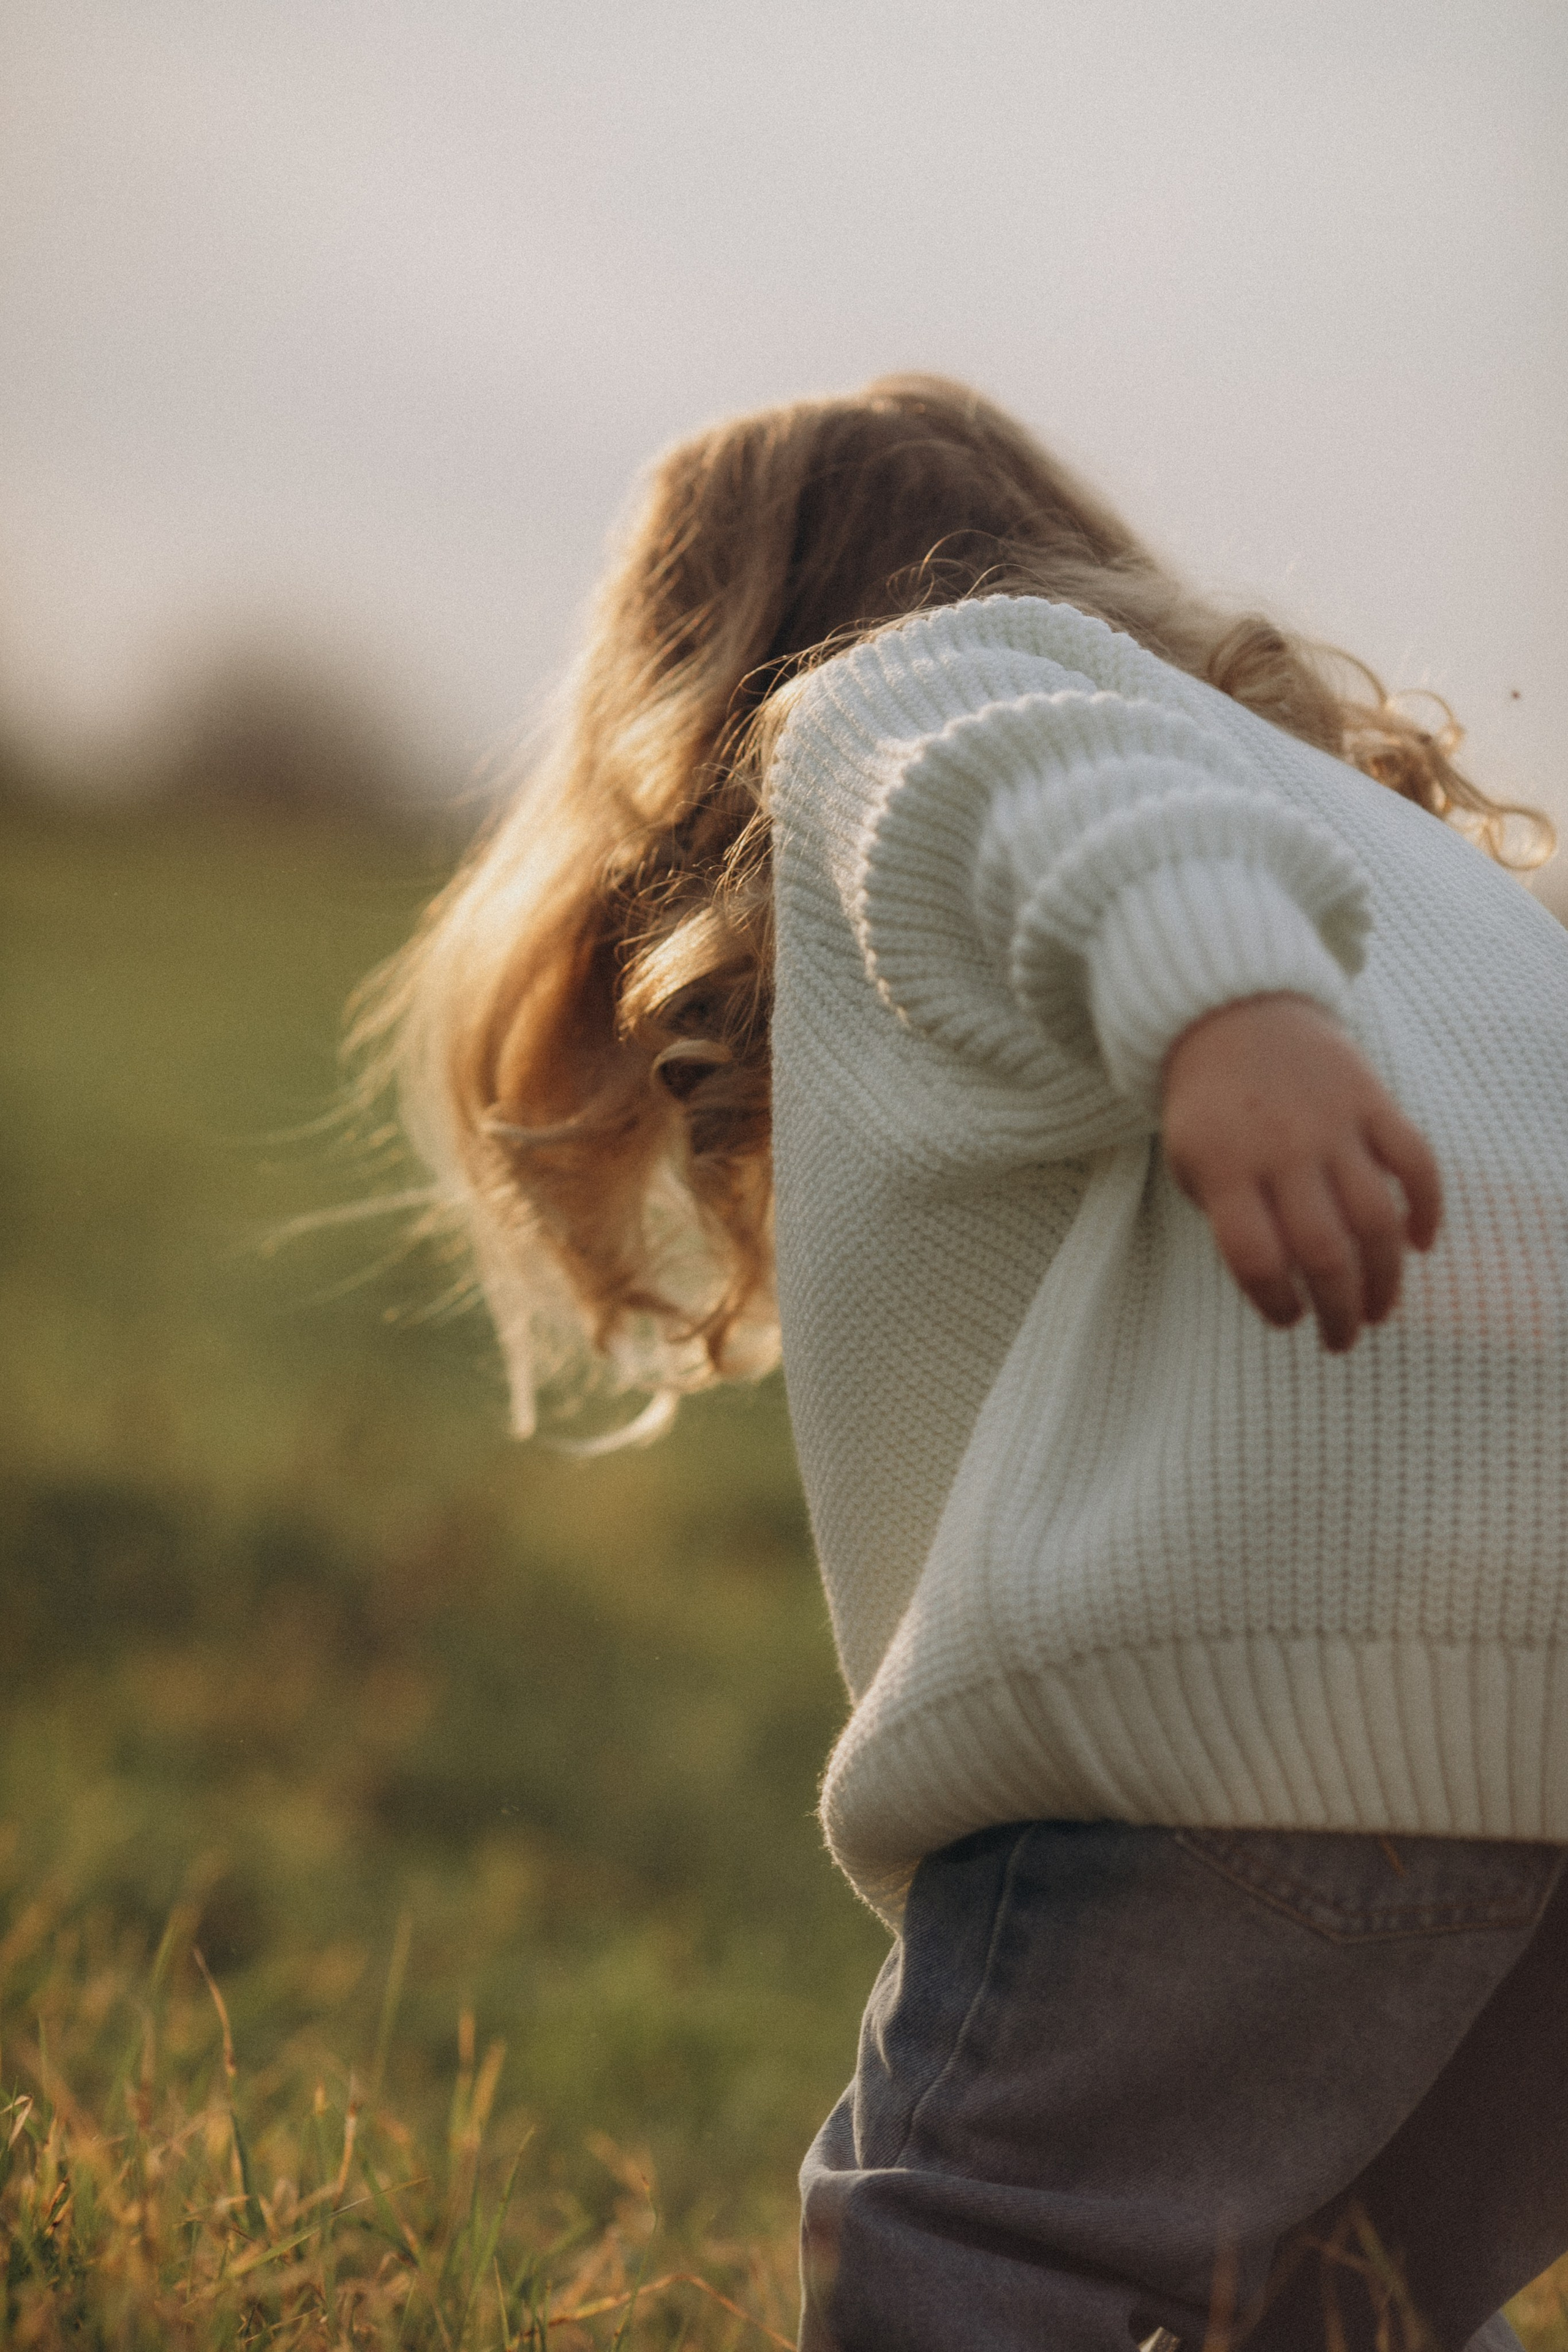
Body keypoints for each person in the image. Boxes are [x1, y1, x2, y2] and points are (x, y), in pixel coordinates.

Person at [356, 377, 1568, 2350]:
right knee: (1343, 2310)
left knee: (976, 2249)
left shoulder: (889, 696)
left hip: (1246, 1704)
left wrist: (1223, 1003)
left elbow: (1035, 778)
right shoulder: (1369, 831)